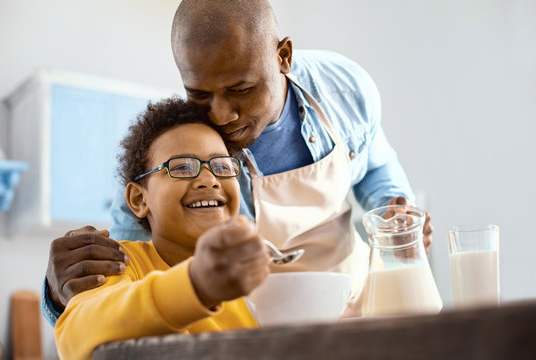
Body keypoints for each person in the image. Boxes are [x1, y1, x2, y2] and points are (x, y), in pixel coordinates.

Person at [42, 0, 434, 326]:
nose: (221, 115)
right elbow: (116, 289)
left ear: (283, 56)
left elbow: (377, 168)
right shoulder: (179, 151)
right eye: (198, 94)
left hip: (357, 308)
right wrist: (59, 294)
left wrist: (394, 211)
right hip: (255, 332)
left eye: (241, 89)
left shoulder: (345, 90)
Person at [55, 97, 270, 360]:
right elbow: (74, 336)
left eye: (223, 167)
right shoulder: (120, 262)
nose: (209, 180)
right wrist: (197, 285)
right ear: (139, 199)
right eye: (181, 167)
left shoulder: (259, 277)